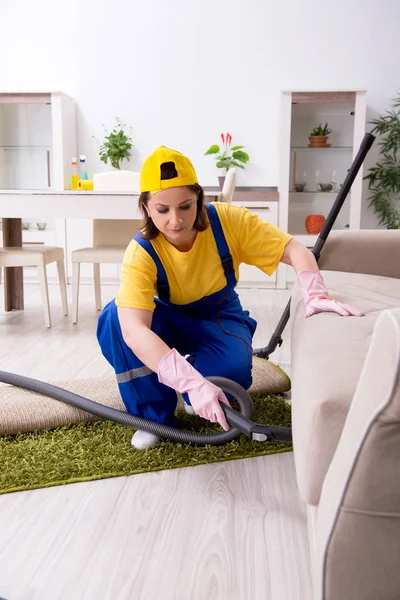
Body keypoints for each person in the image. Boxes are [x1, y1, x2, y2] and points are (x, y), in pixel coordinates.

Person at [97, 146, 363, 449]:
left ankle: (193, 385)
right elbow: (134, 330)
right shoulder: (141, 251)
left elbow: (293, 250)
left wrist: (314, 292)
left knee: (232, 378)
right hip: (168, 317)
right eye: (162, 210)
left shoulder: (227, 221)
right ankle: (152, 417)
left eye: (185, 206)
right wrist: (190, 382)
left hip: (219, 316)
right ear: (145, 207)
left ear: (199, 197)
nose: (175, 221)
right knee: (114, 318)